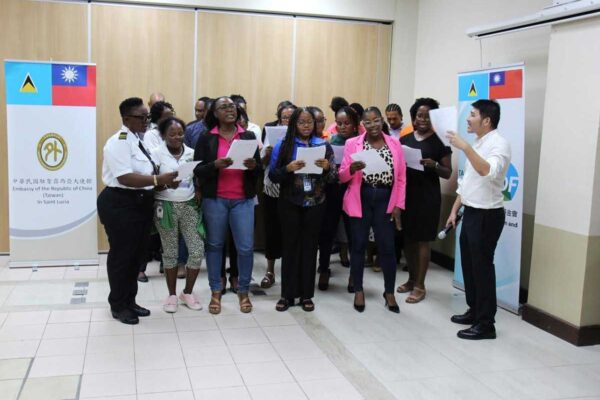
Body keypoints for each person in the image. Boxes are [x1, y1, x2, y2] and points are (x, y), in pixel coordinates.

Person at [97, 97, 177, 325]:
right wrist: (157, 178)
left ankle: (130, 300)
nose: (146, 121)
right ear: (126, 119)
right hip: (120, 203)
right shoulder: (118, 141)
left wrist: (162, 183)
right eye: (141, 118)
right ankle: (118, 305)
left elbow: (145, 175)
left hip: (140, 203)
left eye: (147, 117)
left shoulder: (137, 140)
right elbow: (124, 177)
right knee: (122, 257)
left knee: (136, 255)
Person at [446, 99, 510, 340]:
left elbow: (487, 171)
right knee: (470, 267)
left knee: (482, 268)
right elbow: (468, 183)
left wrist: (465, 148)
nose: (468, 118)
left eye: (472, 114)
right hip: (471, 212)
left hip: (488, 215)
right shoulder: (478, 142)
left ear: (486, 120)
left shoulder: (499, 144)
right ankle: (474, 310)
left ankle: (486, 324)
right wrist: (454, 210)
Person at [193, 96, 262, 314]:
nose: (230, 110)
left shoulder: (248, 136)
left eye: (232, 106)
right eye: (224, 107)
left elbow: (259, 169)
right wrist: (215, 164)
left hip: (243, 199)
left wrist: (253, 166)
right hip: (215, 200)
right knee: (214, 246)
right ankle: (216, 290)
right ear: (215, 113)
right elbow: (197, 170)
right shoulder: (206, 138)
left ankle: (243, 290)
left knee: (245, 247)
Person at [339, 106, 406, 313]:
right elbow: (341, 176)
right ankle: (358, 289)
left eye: (376, 120)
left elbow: (402, 177)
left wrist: (398, 206)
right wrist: (351, 169)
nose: (373, 125)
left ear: (381, 120)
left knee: (387, 247)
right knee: (358, 245)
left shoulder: (394, 143)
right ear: (362, 124)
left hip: (386, 198)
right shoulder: (353, 143)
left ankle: (389, 292)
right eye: (367, 122)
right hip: (361, 197)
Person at [269, 107, 336, 312]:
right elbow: (273, 176)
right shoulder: (283, 145)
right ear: (293, 125)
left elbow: (333, 178)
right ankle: (287, 295)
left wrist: (327, 168)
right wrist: (288, 169)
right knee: (290, 248)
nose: (306, 126)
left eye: (310, 122)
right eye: (302, 122)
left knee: (309, 248)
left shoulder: (324, 145)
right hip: (289, 202)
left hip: (315, 203)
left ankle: (307, 295)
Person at [396, 98, 452, 303]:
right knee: (408, 239)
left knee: (422, 240)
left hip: (427, 197)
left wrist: (434, 165)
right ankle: (411, 279)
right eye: (419, 115)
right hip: (407, 195)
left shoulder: (440, 141)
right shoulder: (405, 139)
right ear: (413, 117)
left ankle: (420, 285)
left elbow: (447, 173)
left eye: (428, 116)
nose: (423, 119)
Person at [151, 117, 205, 313]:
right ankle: (172, 295)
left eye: (180, 133)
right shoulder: (156, 154)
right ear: (163, 135)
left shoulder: (191, 153)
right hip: (165, 206)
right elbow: (151, 181)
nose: (177, 137)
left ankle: (187, 292)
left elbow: (197, 175)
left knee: (197, 249)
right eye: (172, 134)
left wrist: (198, 188)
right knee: (171, 252)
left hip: (189, 204)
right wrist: (165, 183)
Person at [317, 106, 359, 290]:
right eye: (339, 123)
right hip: (333, 191)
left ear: (355, 125)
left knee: (353, 234)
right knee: (327, 232)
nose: (342, 127)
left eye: (347, 123)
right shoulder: (330, 142)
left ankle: (354, 275)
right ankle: (324, 269)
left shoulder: (360, 143)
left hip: (354, 191)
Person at [259, 103, 297, 289]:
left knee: (291, 231)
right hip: (272, 188)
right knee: (272, 229)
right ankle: (270, 271)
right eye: (284, 117)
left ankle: (291, 272)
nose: (287, 121)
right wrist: (267, 153)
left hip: (294, 189)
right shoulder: (270, 131)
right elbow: (263, 163)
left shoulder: (302, 136)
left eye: (291, 117)